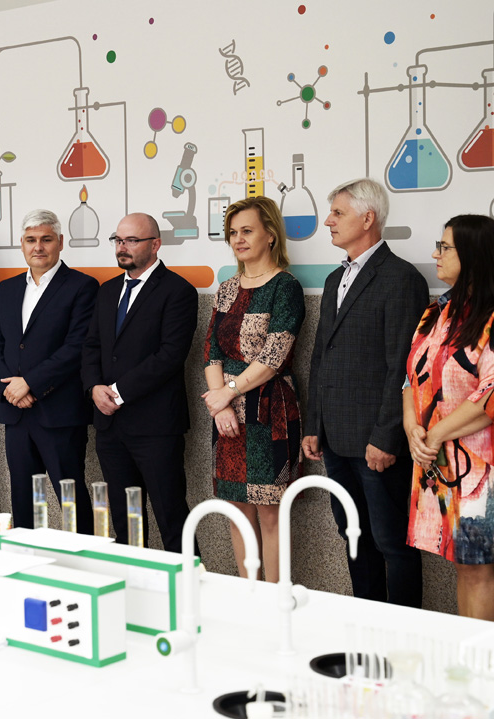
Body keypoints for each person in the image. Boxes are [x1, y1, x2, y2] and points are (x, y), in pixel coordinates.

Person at [301, 178, 427, 607]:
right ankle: (366, 618)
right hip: (335, 439)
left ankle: (407, 630)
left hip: (376, 442)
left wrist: (387, 437)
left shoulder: (401, 279)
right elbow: (321, 356)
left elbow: (403, 368)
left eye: (338, 213)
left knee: (392, 542)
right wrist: (314, 424)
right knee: (353, 534)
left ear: (368, 218)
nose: (328, 221)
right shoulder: (336, 277)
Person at [202, 197, 304, 582]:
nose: (238, 239)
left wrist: (228, 392)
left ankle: (275, 602)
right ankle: (249, 597)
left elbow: (274, 355)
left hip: (269, 411)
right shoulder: (227, 288)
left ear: (271, 235)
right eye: (233, 233)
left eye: (247, 231)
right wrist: (220, 405)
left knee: (270, 513)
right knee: (236, 510)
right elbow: (211, 351)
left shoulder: (285, 287)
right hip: (227, 415)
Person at [81, 212, 198, 550]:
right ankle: (132, 579)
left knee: (171, 517)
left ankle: (188, 580)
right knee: (125, 522)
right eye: (118, 240)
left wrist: (117, 392)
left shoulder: (178, 291)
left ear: (155, 244)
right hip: (110, 426)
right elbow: (91, 346)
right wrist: (94, 388)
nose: (122, 247)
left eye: (132, 240)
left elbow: (170, 356)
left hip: (155, 426)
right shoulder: (107, 291)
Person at [0, 210, 98, 532]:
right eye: (31, 240)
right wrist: (11, 389)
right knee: (23, 499)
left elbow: (77, 347)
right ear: (21, 244)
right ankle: (25, 555)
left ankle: (83, 556)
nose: (38, 247)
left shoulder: (82, 286)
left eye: (46, 239)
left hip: (59, 412)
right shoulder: (8, 288)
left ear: (60, 242)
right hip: (16, 413)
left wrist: (30, 384)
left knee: (71, 499)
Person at [404, 214, 494, 620]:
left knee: (478, 569)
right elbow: (410, 378)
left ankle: (481, 657)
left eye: (445, 247)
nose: (435, 254)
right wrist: (412, 428)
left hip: (481, 468)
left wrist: (435, 433)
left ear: (474, 255)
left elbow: (489, 393)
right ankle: (470, 653)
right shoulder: (434, 313)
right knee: (463, 565)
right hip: (436, 460)